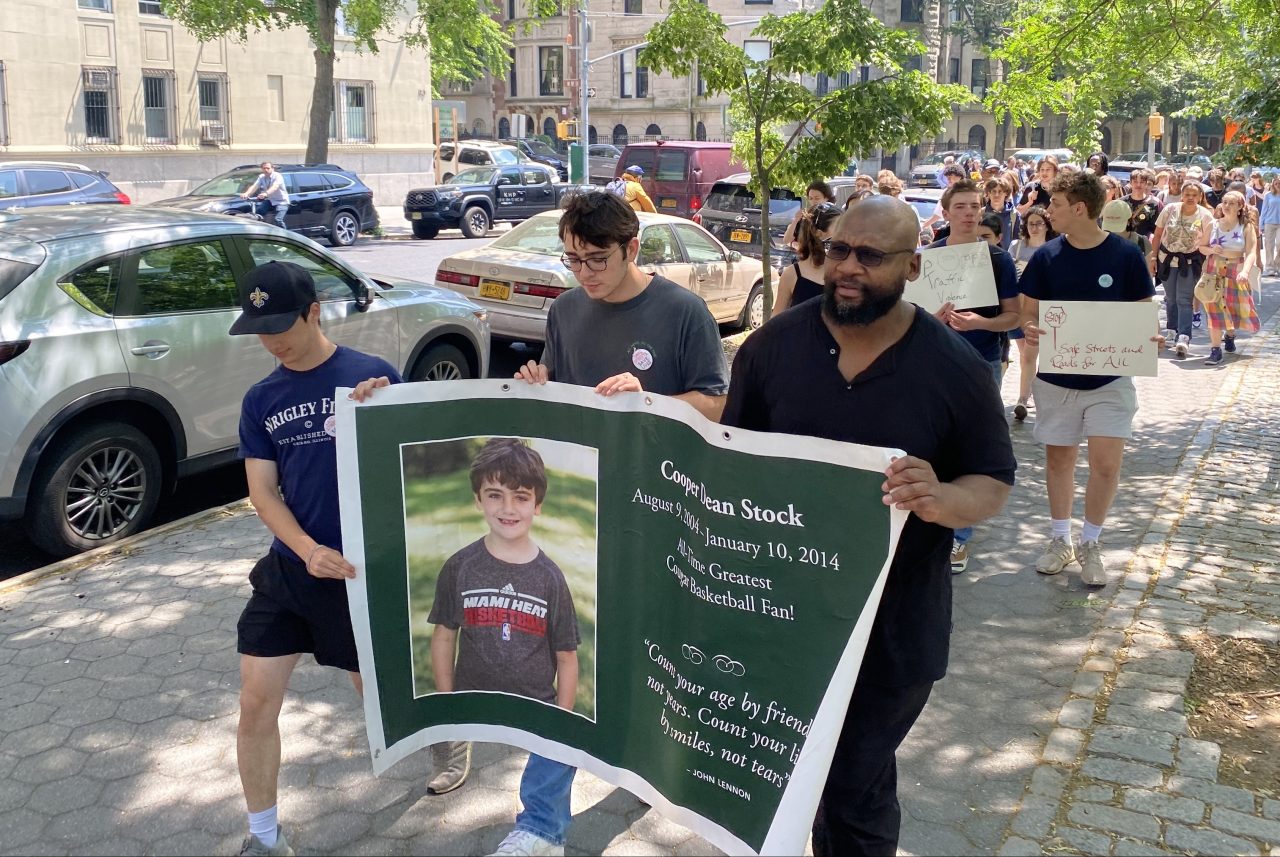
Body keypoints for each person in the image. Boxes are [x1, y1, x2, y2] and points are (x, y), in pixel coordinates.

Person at [721, 195, 1015, 856]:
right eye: (838, 250)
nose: (847, 267)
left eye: (869, 256)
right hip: (780, 621)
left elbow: (992, 481)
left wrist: (939, 498)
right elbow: (730, 465)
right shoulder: (770, 350)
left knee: (854, 786)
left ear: (913, 266)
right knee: (770, 775)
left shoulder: (956, 370)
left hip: (893, 633)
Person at [507, 191, 728, 855]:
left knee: (649, 661)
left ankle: (654, 765)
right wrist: (538, 385)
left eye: (595, 259)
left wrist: (651, 399)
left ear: (633, 248)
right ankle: (539, 823)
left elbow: (715, 405)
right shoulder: (565, 309)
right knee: (565, 662)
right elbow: (566, 405)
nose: (583, 273)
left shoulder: (682, 311)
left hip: (660, 520)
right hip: (581, 514)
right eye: (571, 259)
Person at [230, 261, 402, 857]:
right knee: (255, 701)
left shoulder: (373, 375)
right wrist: (307, 551)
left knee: (379, 697)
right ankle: (264, 837)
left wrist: (383, 414)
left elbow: (423, 460)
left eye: (281, 323)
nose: (270, 338)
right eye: (258, 327)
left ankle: (443, 739)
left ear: (314, 311)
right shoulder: (261, 399)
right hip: (292, 571)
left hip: (358, 576)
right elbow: (263, 491)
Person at [1019, 170, 1162, 588]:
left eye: (1057, 204)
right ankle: (1060, 539)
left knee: (1106, 464)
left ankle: (1091, 542)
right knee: (1059, 460)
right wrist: (1029, 328)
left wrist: (1148, 337)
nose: (1049, 211)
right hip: (1057, 380)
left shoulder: (1125, 255)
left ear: (1080, 208)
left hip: (1111, 382)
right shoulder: (1046, 256)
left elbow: (1141, 311)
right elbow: (1029, 311)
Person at [427, 438, 580, 789]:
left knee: (548, 774)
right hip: (471, 695)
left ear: (537, 505)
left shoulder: (550, 578)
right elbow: (445, 635)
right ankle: (454, 745)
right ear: (478, 499)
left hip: (537, 703)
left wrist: (563, 723)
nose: (508, 507)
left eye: (521, 497)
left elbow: (567, 656)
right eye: (495, 494)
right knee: (456, 728)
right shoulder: (460, 566)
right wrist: (448, 707)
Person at [925, 180, 1020, 574]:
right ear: (946, 213)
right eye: (961, 206)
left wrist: (983, 321)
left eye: (975, 206)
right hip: (933, 364)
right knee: (931, 443)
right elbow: (909, 317)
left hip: (982, 362)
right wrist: (930, 320)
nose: (969, 212)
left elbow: (1015, 317)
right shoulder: (928, 257)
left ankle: (959, 538)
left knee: (972, 449)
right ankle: (929, 524)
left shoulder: (998, 260)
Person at [1150, 181, 1212, 358]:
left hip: (1190, 262)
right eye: (1187, 195)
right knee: (1170, 298)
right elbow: (1158, 235)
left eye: (1194, 195)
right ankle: (1171, 329)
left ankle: (1184, 336)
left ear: (1200, 197)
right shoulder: (1170, 209)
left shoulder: (1206, 215)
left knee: (1184, 299)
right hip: (1167, 259)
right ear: (1182, 195)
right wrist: (1153, 258)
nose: (1191, 198)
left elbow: (1208, 242)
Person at [1198, 190, 1260, 366]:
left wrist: (1245, 272)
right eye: (1224, 202)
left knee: (1233, 308)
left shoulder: (1246, 227)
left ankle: (1230, 334)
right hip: (1214, 271)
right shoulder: (1213, 224)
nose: (1226, 206)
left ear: (1240, 206)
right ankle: (1215, 350)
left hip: (1235, 269)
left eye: (1231, 203)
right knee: (1213, 308)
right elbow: (1201, 247)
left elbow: (1250, 253)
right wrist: (1211, 250)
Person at [1008, 206, 1057, 421]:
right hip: (1020, 307)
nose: (1035, 227)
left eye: (1039, 223)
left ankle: (1025, 398)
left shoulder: (1055, 248)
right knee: (1026, 355)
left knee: (1033, 354)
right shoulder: (1016, 247)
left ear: (1047, 225)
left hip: (1046, 308)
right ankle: (1026, 397)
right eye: (1031, 223)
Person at [775, 202, 842, 312]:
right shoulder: (792, 274)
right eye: (839, 227)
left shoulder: (844, 271)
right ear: (818, 233)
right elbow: (776, 322)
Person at [240, 161, 290, 229]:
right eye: (264, 168)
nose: (266, 170)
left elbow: (275, 187)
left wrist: (266, 193)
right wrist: (246, 193)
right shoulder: (261, 177)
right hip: (270, 200)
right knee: (257, 215)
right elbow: (255, 186)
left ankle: (286, 236)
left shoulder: (277, 176)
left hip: (281, 201)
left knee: (278, 220)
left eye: (268, 168)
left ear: (272, 169)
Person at [922, 164, 966, 232]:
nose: (948, 179)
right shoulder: (946, 193)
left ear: (959, 177)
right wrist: (923, 226)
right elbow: (937, 214)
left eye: (951, 177)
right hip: (953, 230)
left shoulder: (971, 192)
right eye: (947, 177)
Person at [1122, 168, 1163, 239]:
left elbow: (1159, 229)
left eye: (1141, 182)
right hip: (1124, 243)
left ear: (1145, 183)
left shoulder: (1155, 203)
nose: (1138, 185)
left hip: (1145, 246)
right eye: (1135, 181)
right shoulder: (1121, 203)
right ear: (1130, 183)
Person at [982, 177, 1015, 250]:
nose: (996, 195)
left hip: (1007, 257)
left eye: (1000, 191)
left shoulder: (1014, 215)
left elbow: (1018, 241)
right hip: (986, 257)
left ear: (1006, 193)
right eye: (993, 191)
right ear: (989, 193)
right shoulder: (981, 214)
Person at [1260, 175, 1280, 276]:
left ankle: (1277, 264)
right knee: (1269, 246)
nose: (1278, 185)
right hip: (1269, 222)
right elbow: (1264, 210)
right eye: (1276, 183)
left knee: (1279, 245)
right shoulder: (1268, 195)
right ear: (1273, 184)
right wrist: (1261, 225)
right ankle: (1270, 268)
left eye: (1279, 183)